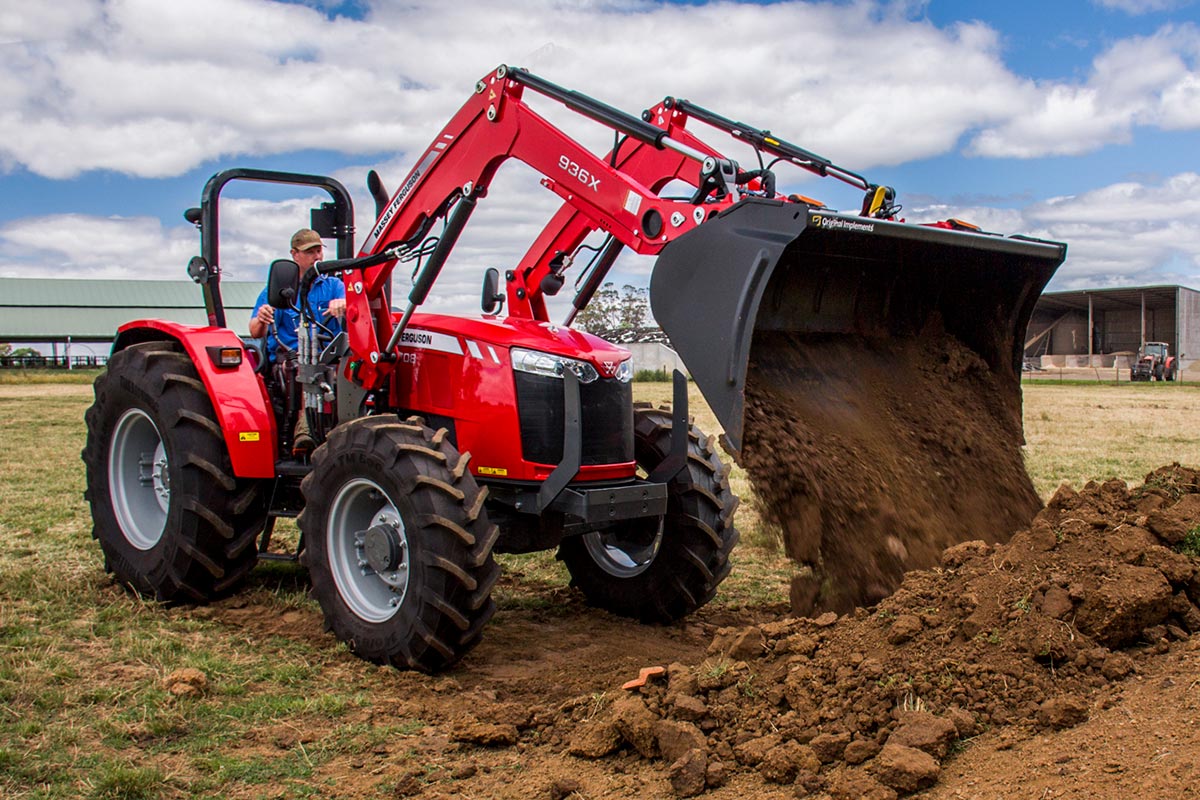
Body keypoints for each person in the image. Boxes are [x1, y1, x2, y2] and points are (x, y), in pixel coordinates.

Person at [250, 228, 346, 454]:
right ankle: (306, 428)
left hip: (327, 354)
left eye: (319, 250)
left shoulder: (334, 286)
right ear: (294, 255)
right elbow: (255, 331)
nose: (317, 256)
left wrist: (343, 304)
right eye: (310, 252)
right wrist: (263, 318)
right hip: (290, 358)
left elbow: (352, 309)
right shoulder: (277, 291)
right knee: (305, 369)